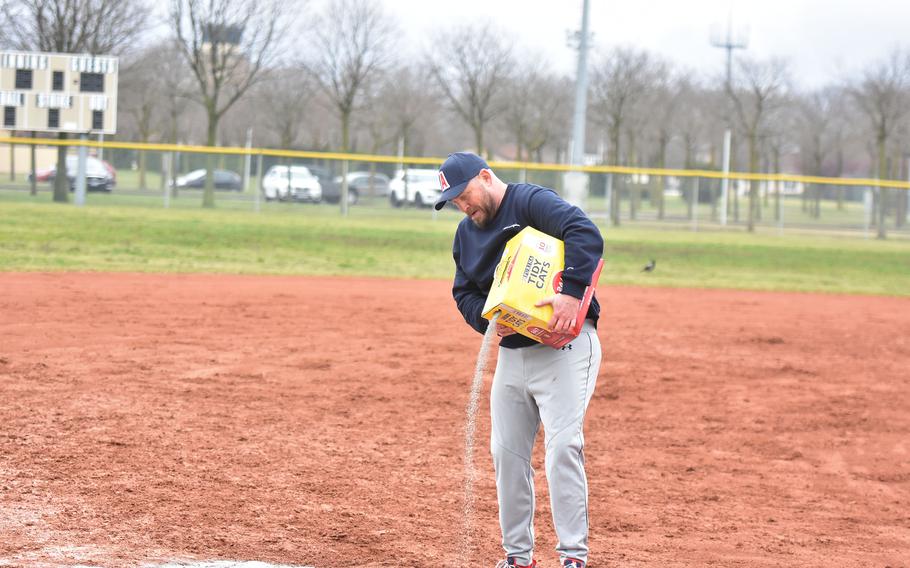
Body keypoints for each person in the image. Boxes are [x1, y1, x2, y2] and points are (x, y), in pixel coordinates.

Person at [437, 152, 604, 568]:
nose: (463, 205)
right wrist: (489, 319)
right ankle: (518, 558)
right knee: (506, 452)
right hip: (513, 354)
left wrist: (571, 290)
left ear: (486, 176)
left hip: (565, 346)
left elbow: (584, 231)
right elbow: (464, 293)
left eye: (465, 195)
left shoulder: (529, 202)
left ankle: (573, 559)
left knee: (563, 446)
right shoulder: (465, 234)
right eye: (454, 202)